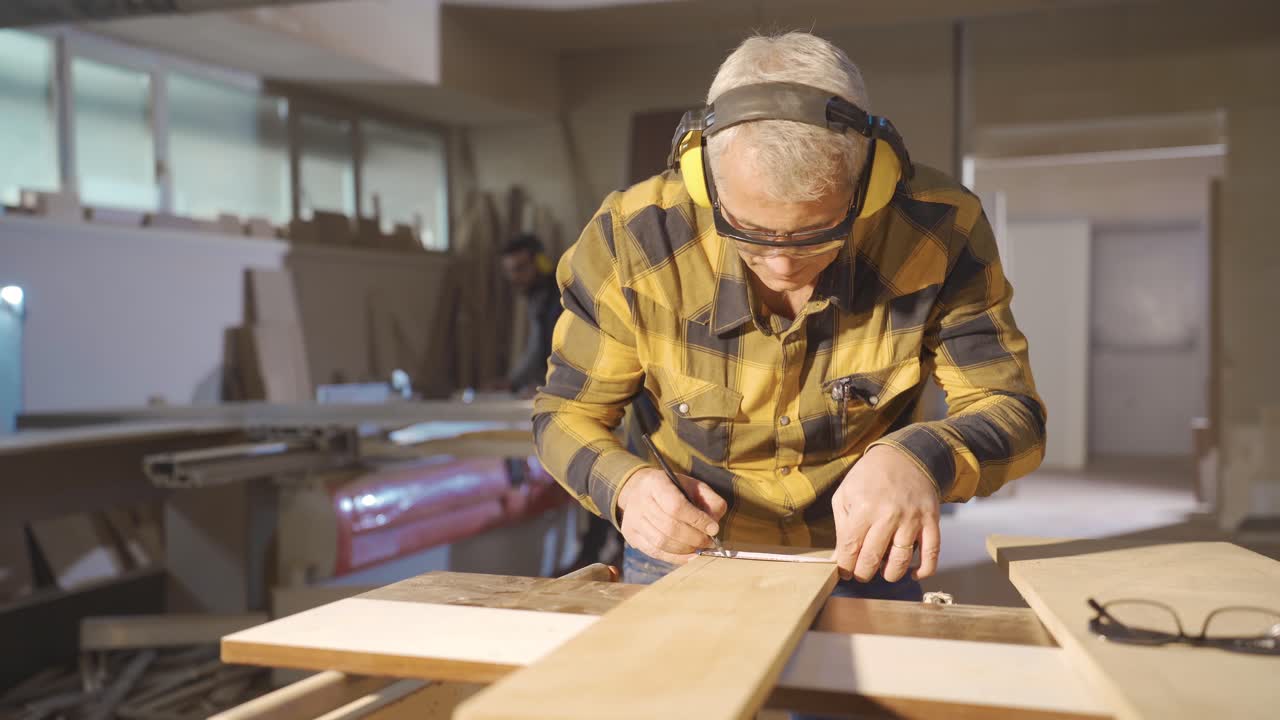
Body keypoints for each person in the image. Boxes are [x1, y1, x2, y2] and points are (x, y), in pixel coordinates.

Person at [532, 32, 1046, 601]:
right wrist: (626, 487)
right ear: (706, 180)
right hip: (681, 556)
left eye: (814, 236)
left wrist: (923, 457)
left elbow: (1013, 411)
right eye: (749, 233)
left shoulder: (938, 233)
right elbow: (564, 413)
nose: (780, 264)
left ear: (868, 184)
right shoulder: (634, 243)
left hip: (861, 555)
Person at [494, 234, 562, 396]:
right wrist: (512, 381)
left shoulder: (561, 296)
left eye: (520, 269)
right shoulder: (539, 297)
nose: (514, 278)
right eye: (510, 271)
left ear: (540, 263)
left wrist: (550, 386)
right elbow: (537, 347)